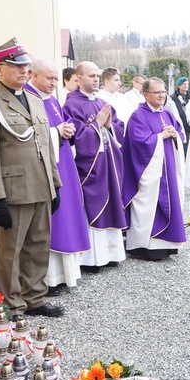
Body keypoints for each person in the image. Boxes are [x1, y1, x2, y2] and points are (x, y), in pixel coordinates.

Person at [0, 38, 64, 318]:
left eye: (26, 66)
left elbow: (46, 145)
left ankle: (35, 299)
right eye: (17, 66)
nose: (24, 71)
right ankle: (12, 305)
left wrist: (55, 183)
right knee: (11, 252)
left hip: (41, 186)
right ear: (0, 69)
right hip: (13, 190)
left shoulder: (35, 99)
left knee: (38, 247)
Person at [24, 59, 91, 296]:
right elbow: (26, 135)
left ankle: (65, 274)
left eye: (55, 79)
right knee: (53, 220)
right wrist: (56, 132)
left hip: (63, 164)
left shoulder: (51, 100)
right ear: (33, 75)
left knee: (68, 214)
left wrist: (68, 129)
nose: (54, 83)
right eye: (49, 78)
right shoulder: (26, 98)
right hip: (44, 169)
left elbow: (62, 122)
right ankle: (49, 279)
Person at [63, 61, 127, 272]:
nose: (96, 79)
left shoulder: (101, 102)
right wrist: (96, 125)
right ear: (78, 79)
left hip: (108, 162)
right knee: (92, 205)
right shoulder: (71, 104)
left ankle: (111, 253)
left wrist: (108, 125)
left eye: (97, 76)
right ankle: (91, 259)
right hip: (90, 167)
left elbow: (118, 127)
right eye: (91, 76)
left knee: (111, 202)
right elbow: (74, 138)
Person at [122, 77, 187, 260]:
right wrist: (160, 137)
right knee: (148, 205)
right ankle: (143, 246)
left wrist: (174, 135)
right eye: (157, 92)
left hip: (168, 171)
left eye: (164, 92)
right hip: (149, 172)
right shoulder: (138, 116)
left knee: (170, 203)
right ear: (145, 94)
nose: (162, 95)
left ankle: (167, 245)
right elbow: (138, 143)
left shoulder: (167, 113)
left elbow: (180, 132)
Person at [170, 76, 190, 155]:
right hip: (180, 125)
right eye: (184, 84)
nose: (186, 86)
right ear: (179, 86)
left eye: (187, 84)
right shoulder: (173, 98)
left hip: (189, 126)